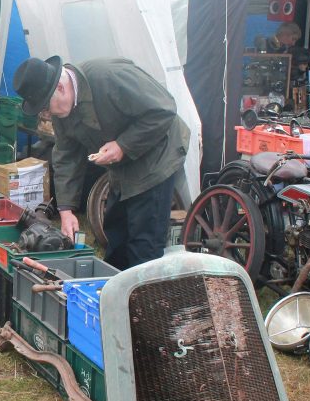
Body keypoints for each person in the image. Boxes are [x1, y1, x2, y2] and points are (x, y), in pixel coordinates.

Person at [14, 56, 189, 270]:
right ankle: (113, 289)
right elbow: (67, 155)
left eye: (45, 107)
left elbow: (164, 109)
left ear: (59, 87)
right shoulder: (61, 111)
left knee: (144, 241)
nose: (47, 114)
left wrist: (123, 145)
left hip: (157, 154)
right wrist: (66, 209)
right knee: (115, 230)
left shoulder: (110, 77)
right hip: (121, 165)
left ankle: (143, 296)